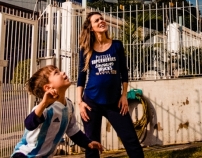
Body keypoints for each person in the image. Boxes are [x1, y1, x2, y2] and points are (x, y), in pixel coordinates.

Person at [77, 12, 144, 158]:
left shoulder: (116, 45)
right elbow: (81, 77)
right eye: (97, 20)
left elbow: (124, 73)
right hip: (91, 103)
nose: (101, 21)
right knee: (92, 146)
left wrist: (124, 95)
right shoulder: (85, 49)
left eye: (102, 18)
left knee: (131, 140)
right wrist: (80, 102)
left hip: (115, 102)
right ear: (91, 28)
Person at [12, 65, 102, 157]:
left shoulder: (69, 105)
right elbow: (29, 124)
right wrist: (43, 103)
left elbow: (72, 129)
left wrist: (87, 143)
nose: (63, 73)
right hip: (24, 155)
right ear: (48, 87)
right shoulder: (45, 107)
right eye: (56, 73)